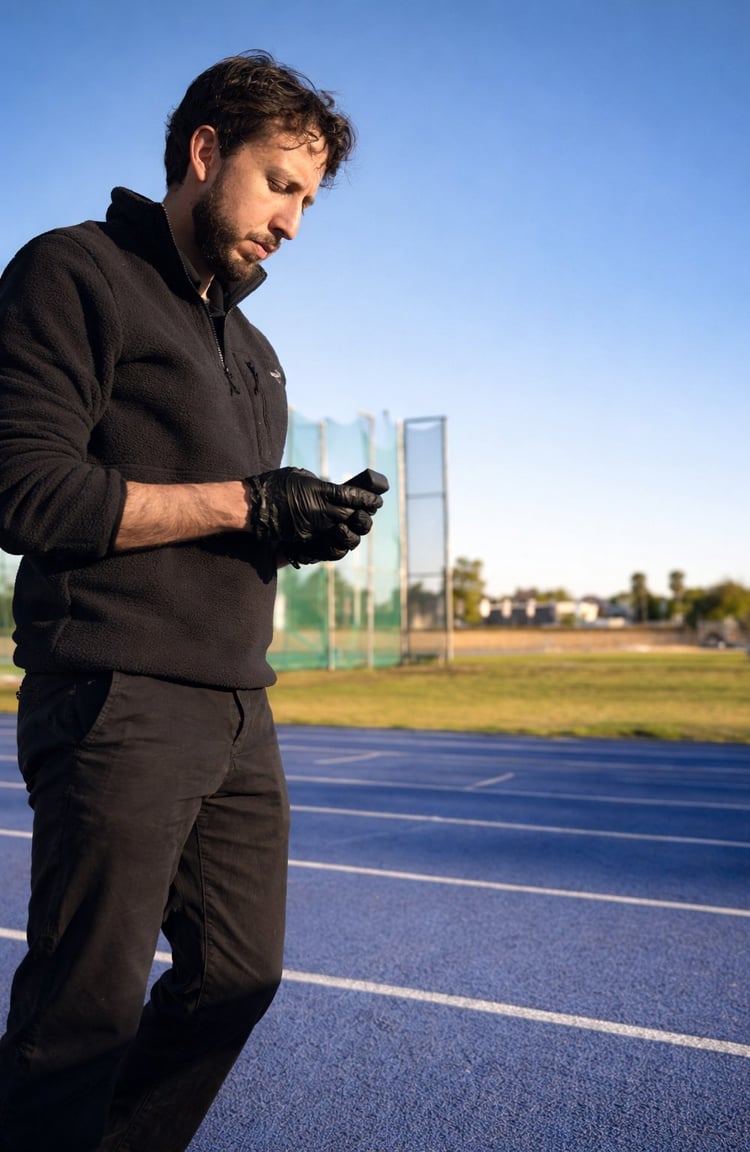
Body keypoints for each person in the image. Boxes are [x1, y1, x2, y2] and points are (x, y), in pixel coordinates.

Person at [0, 51, 383, 1152]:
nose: (295, 224)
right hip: (116, 695)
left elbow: (232, 520)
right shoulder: (73, 272)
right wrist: (246, 504)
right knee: (83, 1013)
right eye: (280, 184)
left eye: (308, 200)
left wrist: (298, 526)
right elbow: (25, 489)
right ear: (205, 152)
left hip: (235, 707)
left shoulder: (255, 352)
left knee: (238, 980)